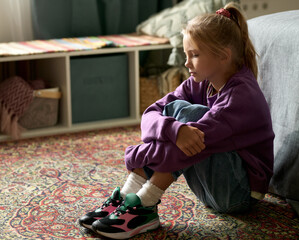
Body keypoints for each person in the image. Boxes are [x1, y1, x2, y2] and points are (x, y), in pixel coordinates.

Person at [79, 2, 274, 239]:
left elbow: (191, 145)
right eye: (186, 54)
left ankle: (144, 204)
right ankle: (130, 196)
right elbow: (150, 113)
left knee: (189, 120)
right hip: (211, 190)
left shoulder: (241, 96)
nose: (186, 63)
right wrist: (172, 129)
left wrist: (138, 155)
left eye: (194, 55)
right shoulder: (200, 82)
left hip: (239, 194)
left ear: (223, 56)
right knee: (178, 120)